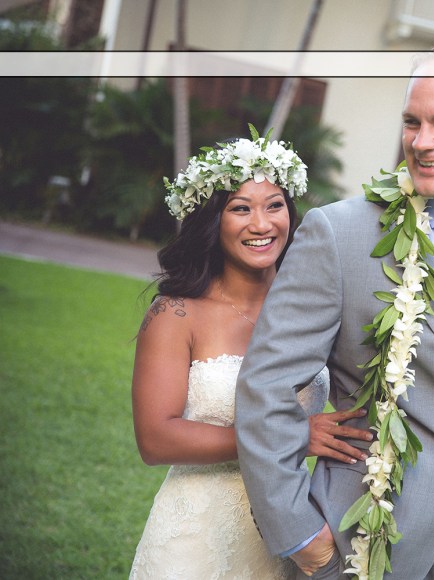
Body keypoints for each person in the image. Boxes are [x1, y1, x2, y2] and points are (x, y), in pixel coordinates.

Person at [236, 46, 434, 579]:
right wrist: (301, 538)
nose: (421, 141)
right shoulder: (339, 234)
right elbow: (265, 389)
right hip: (360, 547)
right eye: (412, 121)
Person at [129, 129, 372, 579]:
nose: (262, 225)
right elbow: (155, 439)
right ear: (211, 221)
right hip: (198, 537)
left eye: (274, 205)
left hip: (294, 528)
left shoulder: (315, 306)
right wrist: (290, 437)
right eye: (240, 209)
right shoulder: (177, 313)